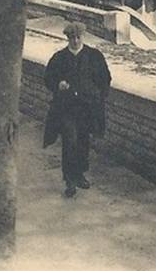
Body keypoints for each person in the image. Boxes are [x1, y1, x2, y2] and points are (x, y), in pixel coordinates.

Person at [43, 22, 112, 198]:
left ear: (83, 37)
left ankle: (80, 174)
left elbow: (105, 78)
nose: (75, 41)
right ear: (67, 38)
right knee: (69, 141)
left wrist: (98, 96)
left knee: (83, 141)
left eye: (78, 37)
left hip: (87, 108)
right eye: (71, 38)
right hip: (66, 108)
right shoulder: (59, 58)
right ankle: (69, 180)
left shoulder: (94, 56)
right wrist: (58, 84)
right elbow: (48, 77)